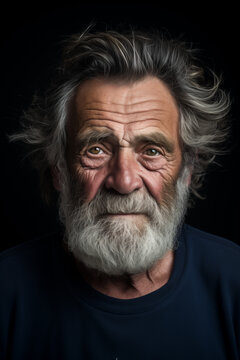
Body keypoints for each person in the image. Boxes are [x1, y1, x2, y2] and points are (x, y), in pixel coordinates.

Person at [1, 28, 239, 360]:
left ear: (187, 170)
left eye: (152, 151)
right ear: (58, 169)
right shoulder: (6, 292)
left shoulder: (233, 282)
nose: (124, 181)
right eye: (96, 149)